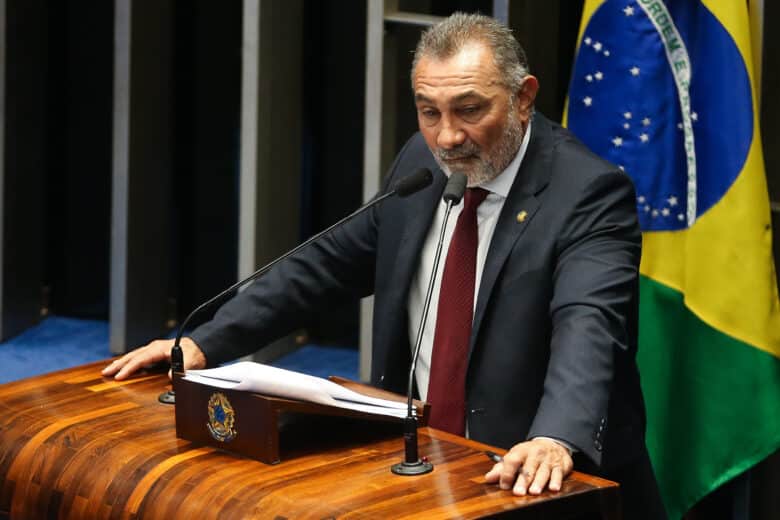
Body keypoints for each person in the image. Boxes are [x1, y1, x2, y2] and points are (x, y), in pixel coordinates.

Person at [103, 13, 666, 519]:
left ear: (523, 98)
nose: (448, 136)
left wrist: (555, 437)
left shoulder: (587, 193)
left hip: (527, 480)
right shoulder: (423, 164)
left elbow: (588, 326)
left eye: (470, 109)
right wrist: (204, 344)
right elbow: (323, 265)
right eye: (429, 111)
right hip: (417, 468)